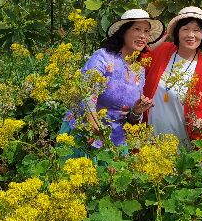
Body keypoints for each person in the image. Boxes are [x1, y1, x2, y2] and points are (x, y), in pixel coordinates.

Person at [60, 8, 164, 147]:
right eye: (137, 29)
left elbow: (128, 118)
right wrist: (94, 126)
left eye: (146, 31)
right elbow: (86, 93)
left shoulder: (139, 71)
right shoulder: (103, 57)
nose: (142, 36)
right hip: (85, 135)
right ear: (123, 32)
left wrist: (137, 111)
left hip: (116, 143)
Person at [140, 6, 202, 146]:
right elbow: (138, 61)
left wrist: (199, 125)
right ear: (177, 33)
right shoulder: (163, 50)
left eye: (197, 30)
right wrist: (157, 42)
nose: (191, 35)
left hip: (179, 142)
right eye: (185, 29)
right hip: (148, 139)